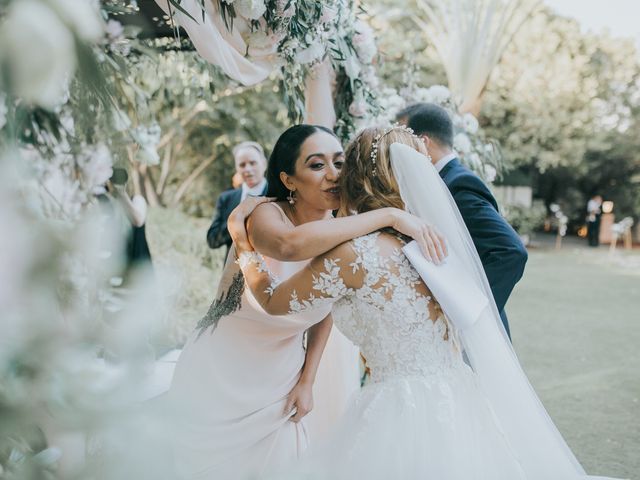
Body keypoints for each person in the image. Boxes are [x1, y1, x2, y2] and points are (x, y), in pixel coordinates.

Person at [229, 126, 620, 480]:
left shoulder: (354, 254)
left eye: (343, 165)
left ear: (358, 178)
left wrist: (243, 243)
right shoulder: (432, 243)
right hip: (459, 396)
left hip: (401, 409)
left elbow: (273, 301)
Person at [166, 125, 446, 480]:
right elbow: (288, 246)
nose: (333, 175)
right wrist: (388, 215)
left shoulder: (343, 227)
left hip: (281, 376)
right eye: (316, 165)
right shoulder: (266, 215)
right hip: (224, 368)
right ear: (289, 179)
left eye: (339, 163)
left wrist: (306, 380)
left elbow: (329, 303)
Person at [397, 102, 527, 338]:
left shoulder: (458, 184)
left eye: (402, 141)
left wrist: (468, 316)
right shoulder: (434, 183)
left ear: (423, 142)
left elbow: (511, 251)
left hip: (471, 335)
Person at [206, 141, 269, 257]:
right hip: (232, 272)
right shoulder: (226, 198)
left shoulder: (276, 195)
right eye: (242, 165)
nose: (248, 169)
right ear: (236, 168)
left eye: (253, 163)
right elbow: (212, 240)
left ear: (264, 164)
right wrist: (237, 220)